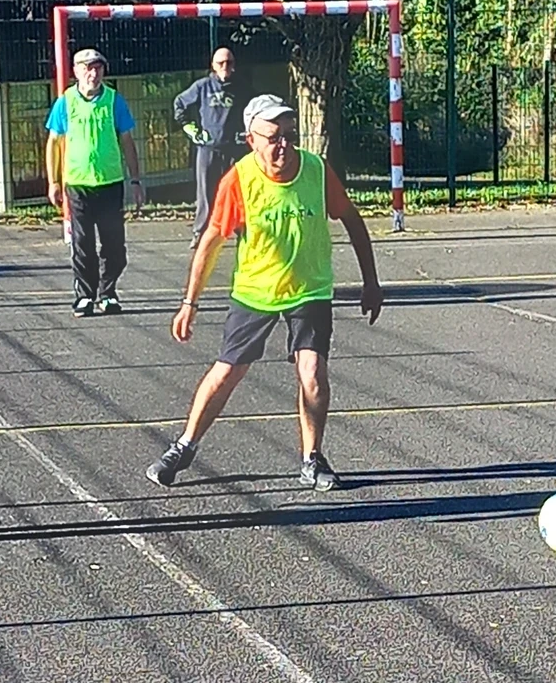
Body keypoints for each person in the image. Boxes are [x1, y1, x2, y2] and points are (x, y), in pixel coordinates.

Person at [147, 94, 385, 492]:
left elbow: (351, 219)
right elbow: (210, 241)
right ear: (251, 139)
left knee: (312, 374)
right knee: (226, 372)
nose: (283, 146)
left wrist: (371, 282)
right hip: (255, 291)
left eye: (290, 136)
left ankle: (312, 458)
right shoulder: (238, 179)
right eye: (273, 137)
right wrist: (190, 302)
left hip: (309, 289)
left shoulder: (315, 170)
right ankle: (185, 445)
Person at [46, 48, 145, 317]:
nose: (93, 73)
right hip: (78, 184)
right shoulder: (65, 103)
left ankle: (107, 293)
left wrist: (135, 180)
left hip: (110, 182)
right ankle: (84, 296)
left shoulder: (114, 101)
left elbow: (127, 141)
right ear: (76, 71)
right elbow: (53, 143)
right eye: (87, 67)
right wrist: (54, 181)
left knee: (114, 244)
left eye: (98, 67)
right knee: (82, 243)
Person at [174, 48, 249, 249]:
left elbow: (253, 111)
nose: (225, 67)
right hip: (208, 149)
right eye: (221, 63)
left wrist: (247, 133)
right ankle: (201, 234)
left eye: (229, 63)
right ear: (213, 66)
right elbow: (179, 104)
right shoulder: (202, 87)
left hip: (235, 151)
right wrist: (191, 129)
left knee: (238, 192)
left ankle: (243, 231)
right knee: (206, 194)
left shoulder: (242, 88)